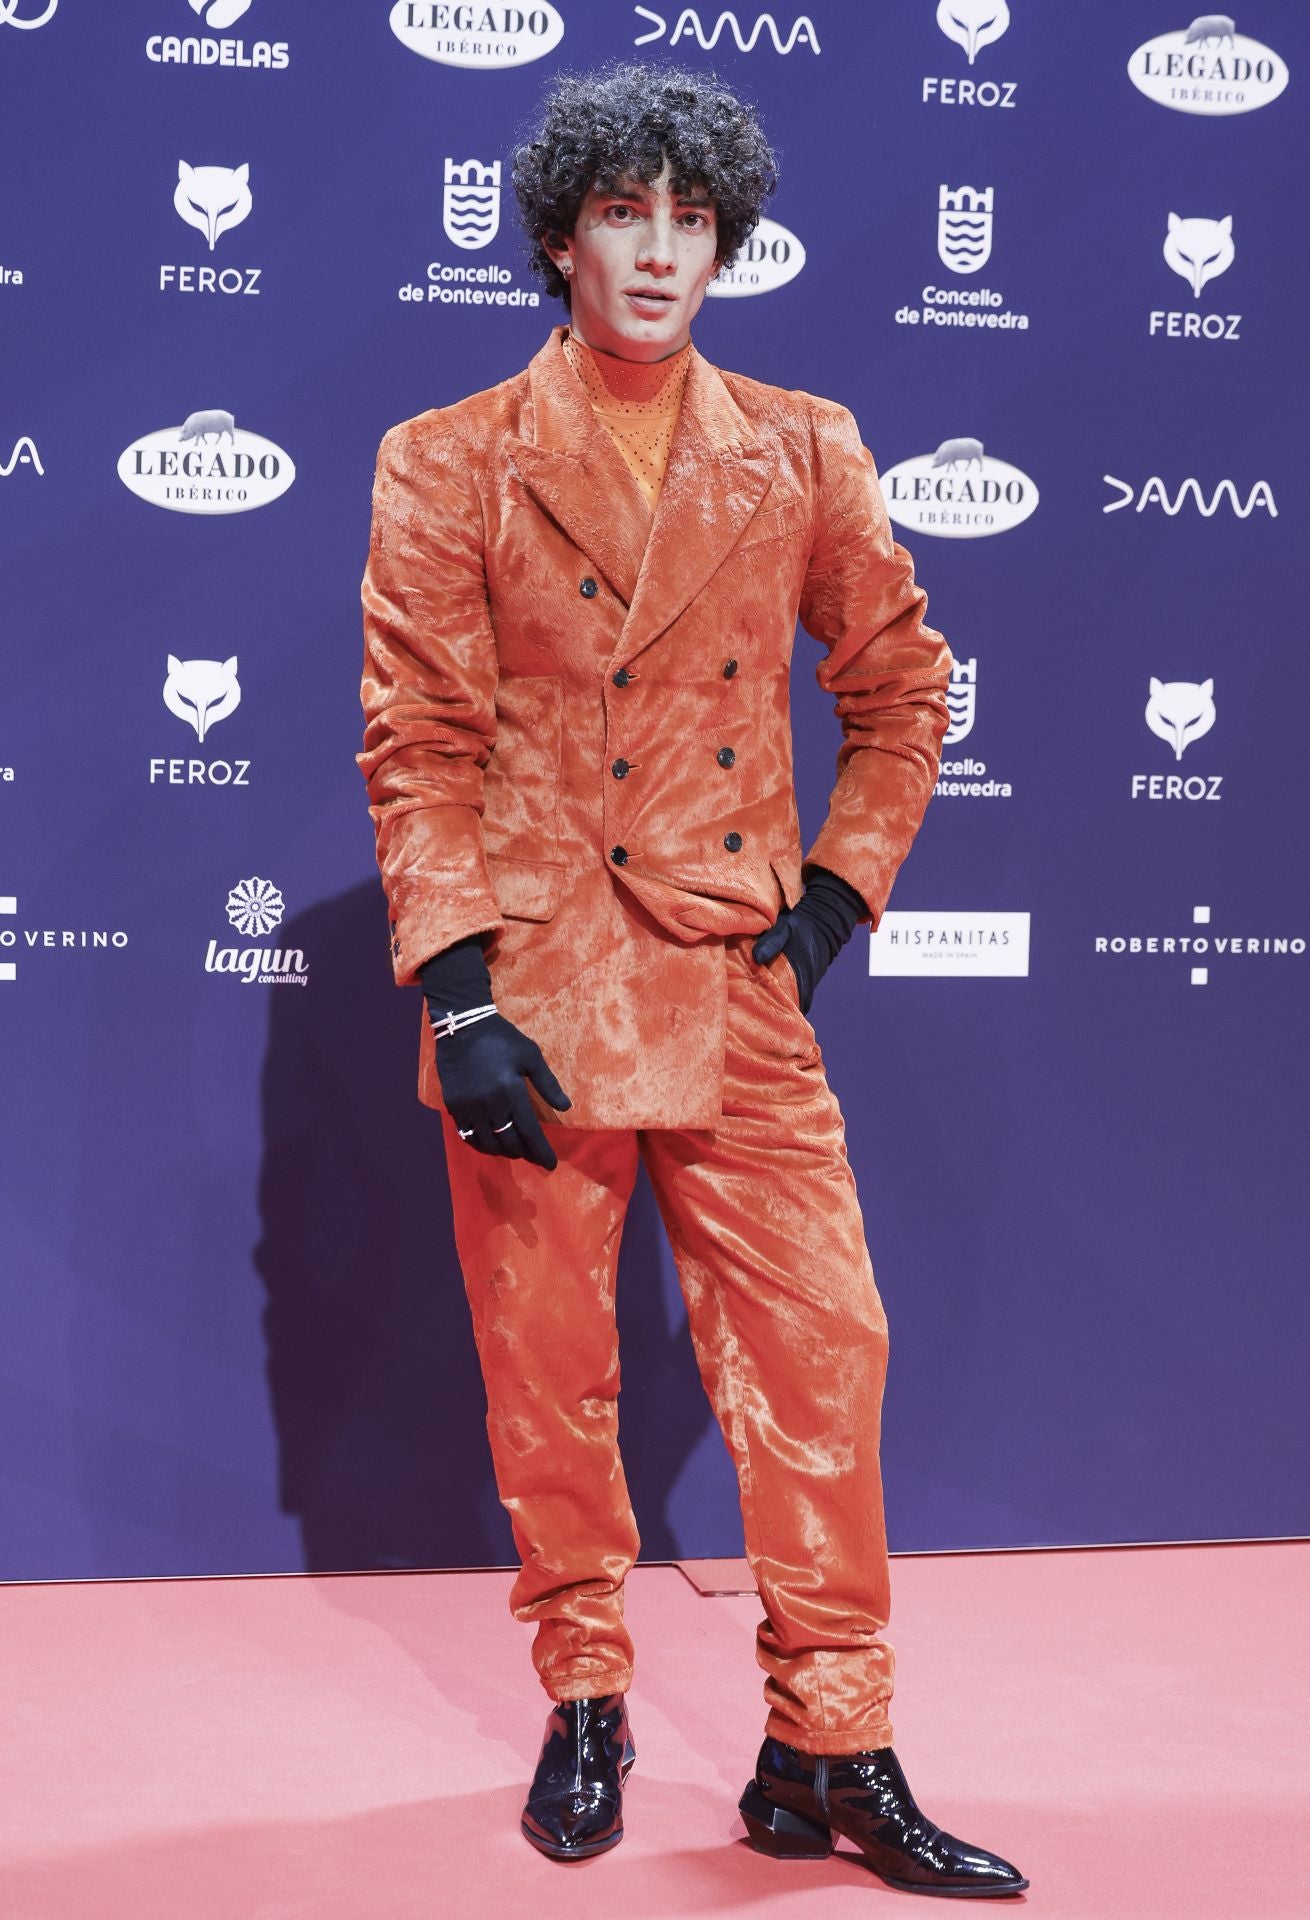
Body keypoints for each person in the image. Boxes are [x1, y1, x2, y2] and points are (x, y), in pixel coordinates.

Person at [359, 59, 1028, 1898]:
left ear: (723, 245)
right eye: (620, 214)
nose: (656, 251)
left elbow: (901, 688)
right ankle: (586, 1700)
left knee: (824, 1354)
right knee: (550, 1377)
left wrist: (830, 903)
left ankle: (831, 1748)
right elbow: (418, 741)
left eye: (689, 219)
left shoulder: (800, 446)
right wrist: (458, 994)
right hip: (535, 995)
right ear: (558, 238)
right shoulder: (447, 455)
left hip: (734, 979)